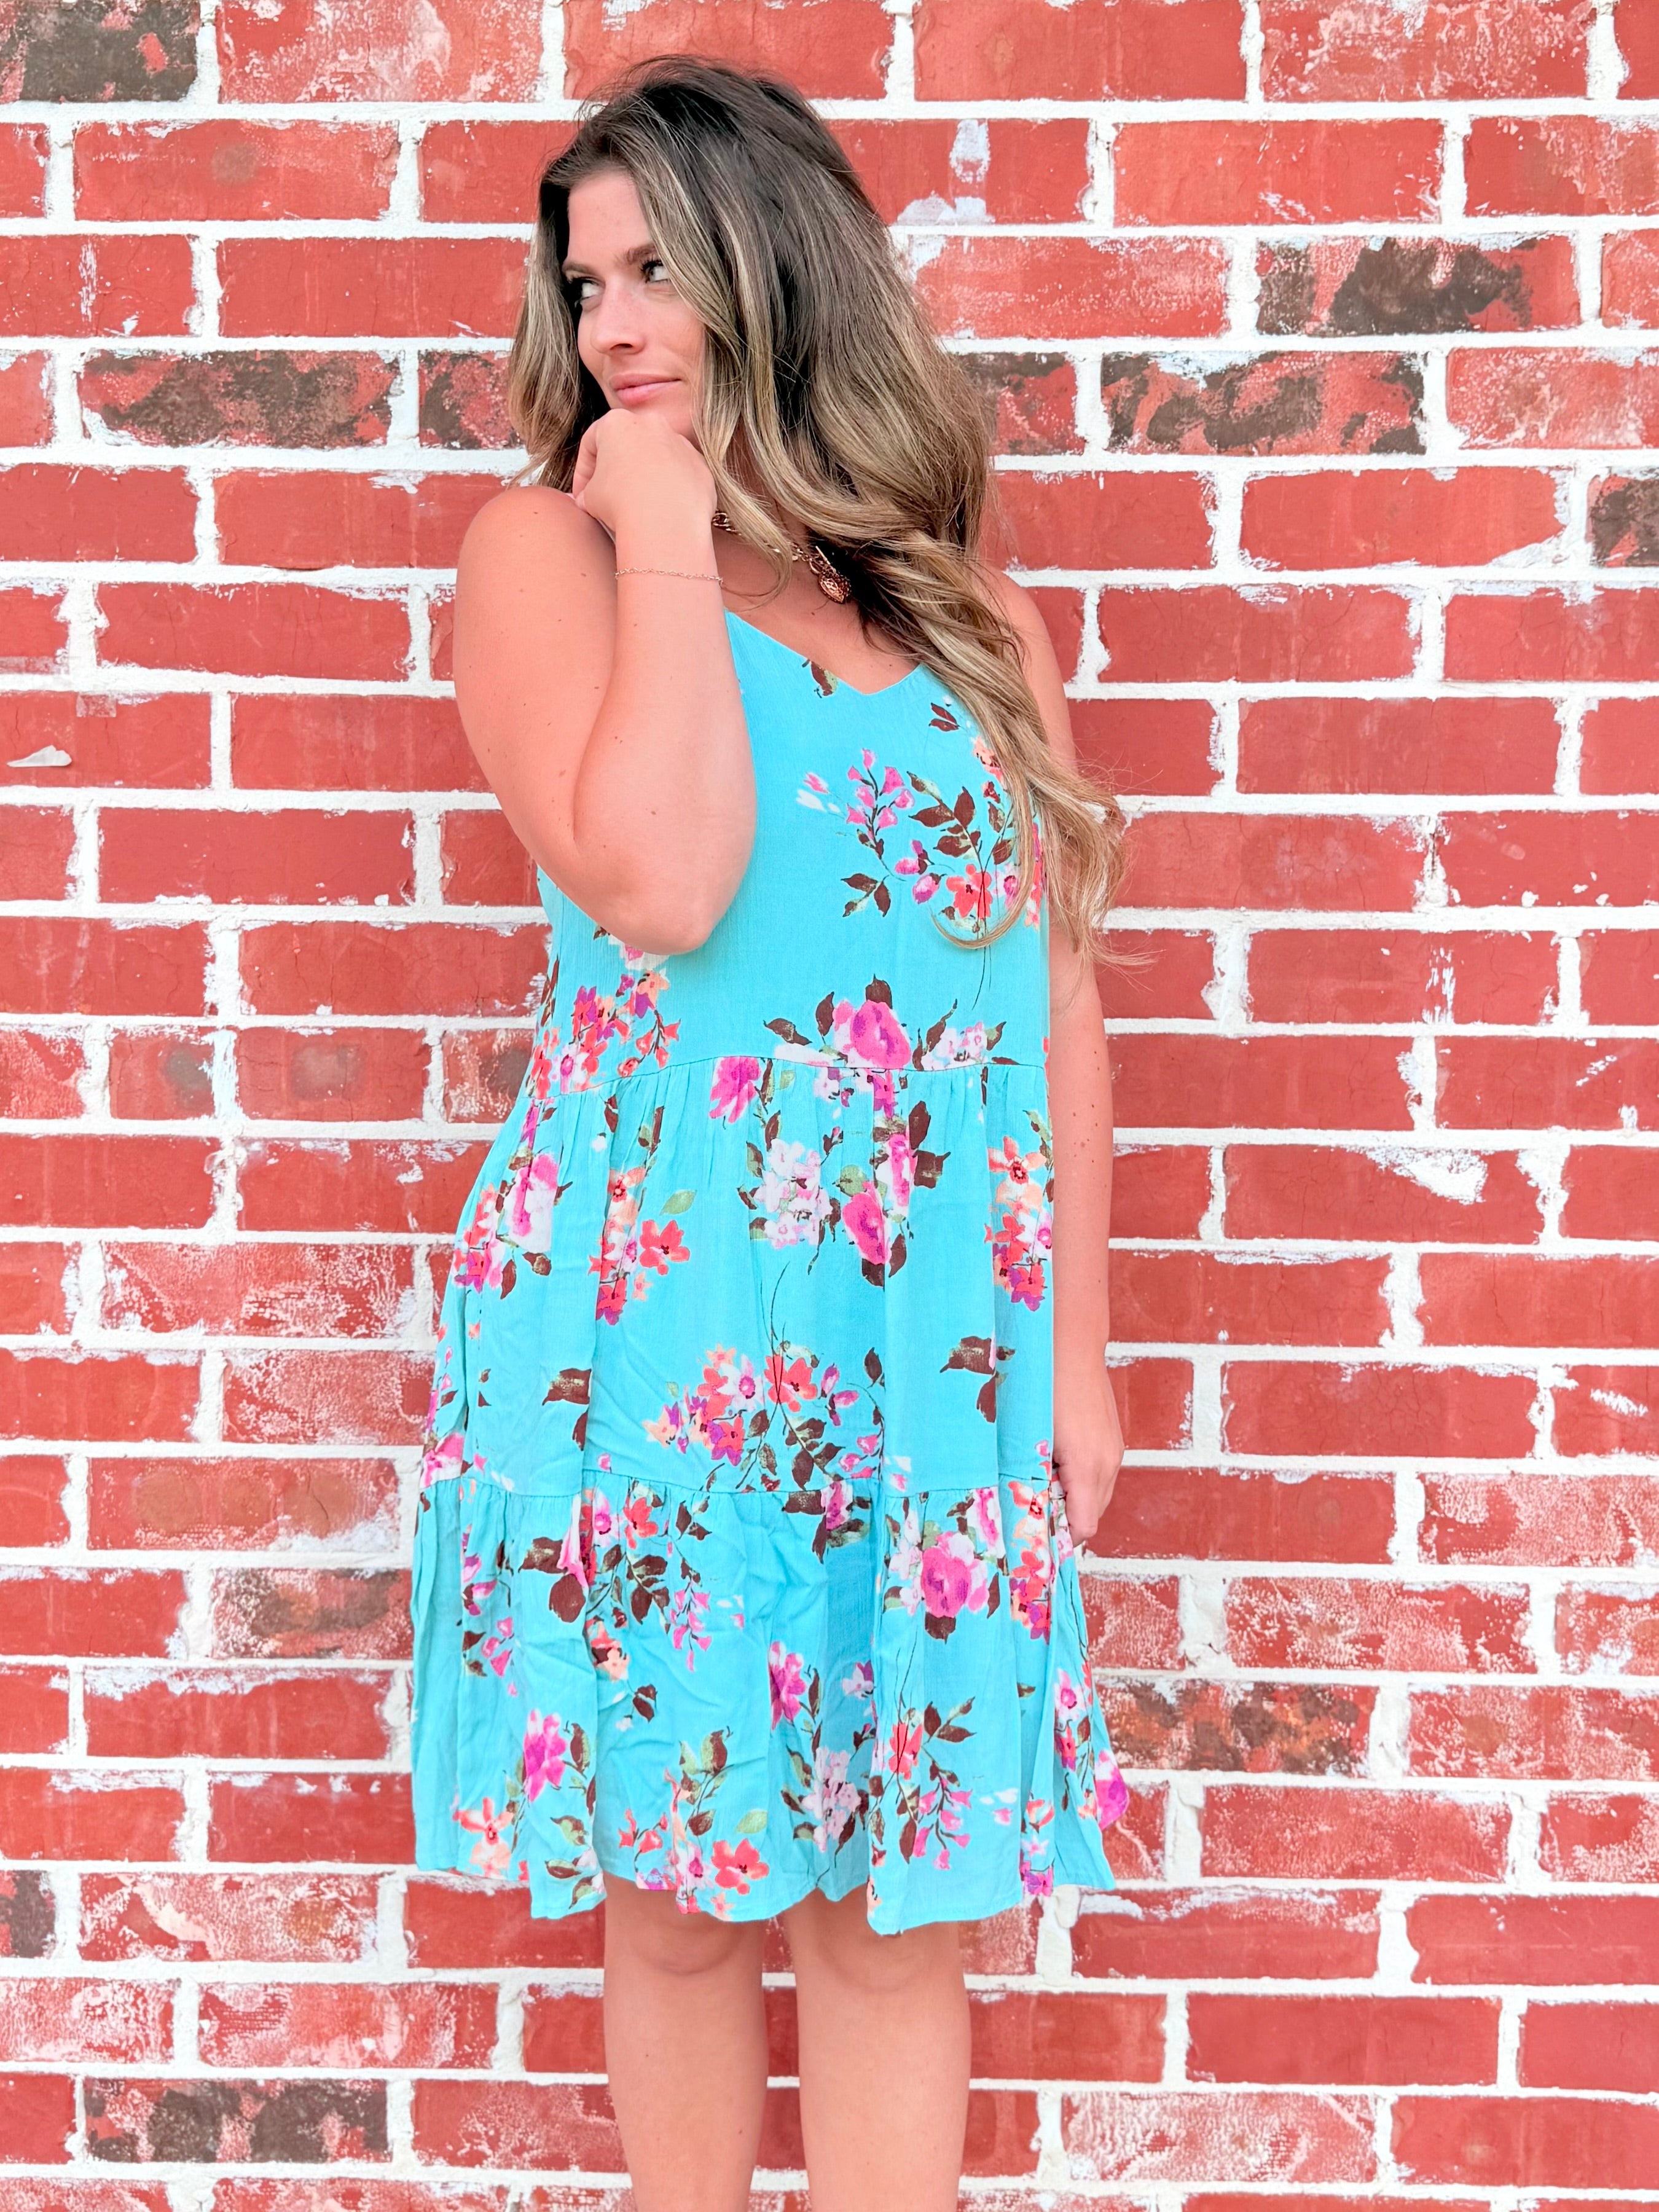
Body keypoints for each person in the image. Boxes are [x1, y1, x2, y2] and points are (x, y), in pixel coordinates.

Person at [409, 52, 1135, 2212]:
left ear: (775, 271)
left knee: (902, 1907)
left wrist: (1076, 1352)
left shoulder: (964, 621)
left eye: (656, 271)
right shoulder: (547, 552)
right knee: (683, 1893)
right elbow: (663, 880)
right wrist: (657, 533)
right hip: (659, 1317)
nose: (612, 322)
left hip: (931, 1338)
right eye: (585, 284)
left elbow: (1048, 1002)